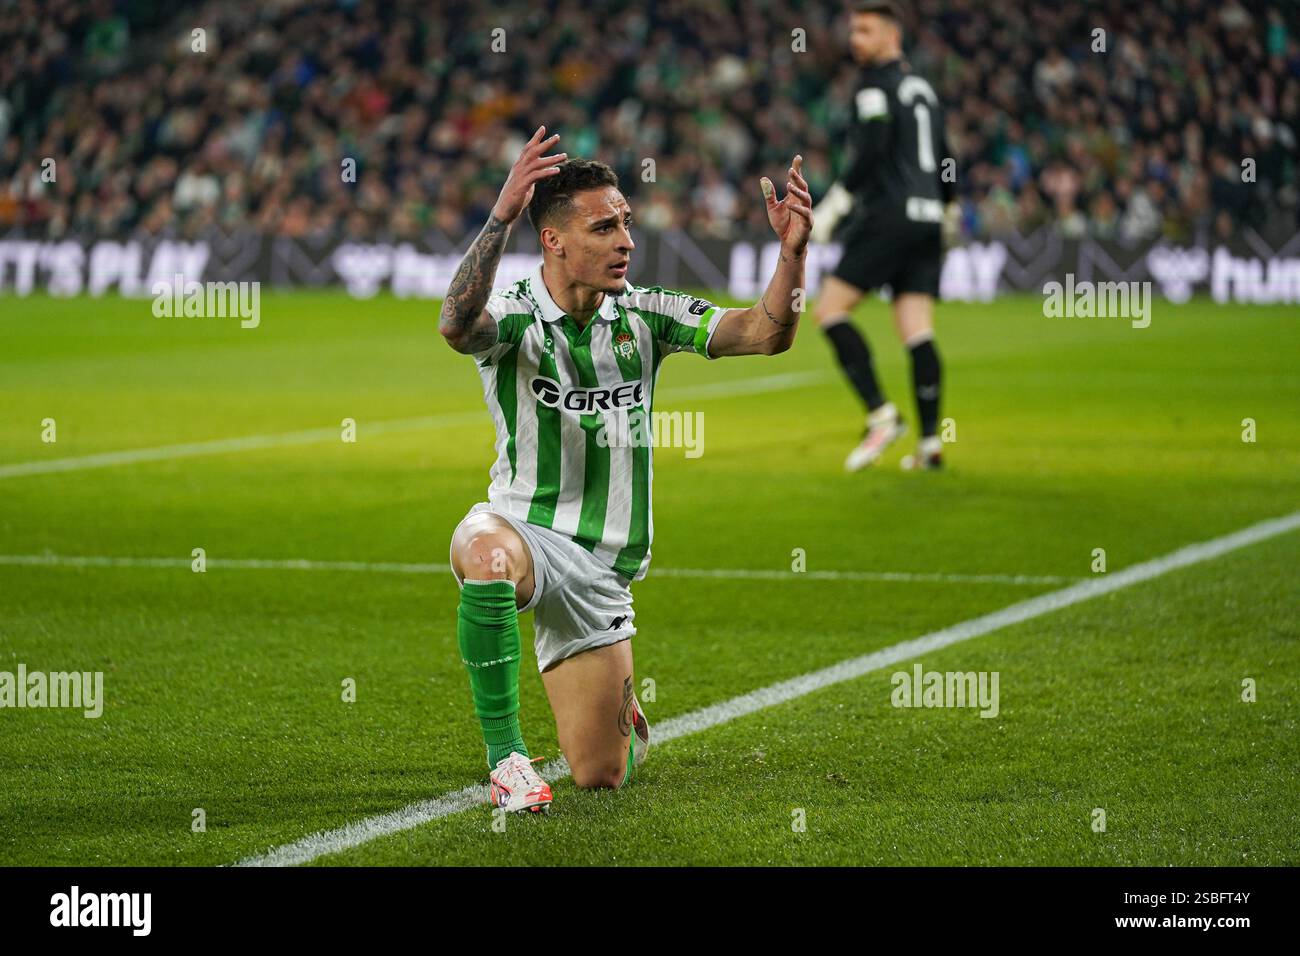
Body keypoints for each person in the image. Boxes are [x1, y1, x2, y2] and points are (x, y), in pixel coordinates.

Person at [438, 126, 813, 811]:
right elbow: (457, 326)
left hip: (604, 568)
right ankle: (507, 761)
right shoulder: (519, 315)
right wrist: (500, 217)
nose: (625, 242)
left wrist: (793, 256)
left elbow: (767, 333)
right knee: (485, 554)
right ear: (553, 239)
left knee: (600, 775)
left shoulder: (647, 314)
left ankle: (622, 720)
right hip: (522, 528)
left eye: (627, 224)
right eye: (604, 227)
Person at [812, 0, 956, 471]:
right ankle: (931, 443)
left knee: (830, 311)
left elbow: (872, 151)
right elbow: (945, 156)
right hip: (928, 217)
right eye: (853, 31)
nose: (856, 40)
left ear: (893, 36)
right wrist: (949, 207)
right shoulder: (925, 91)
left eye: (866, 31)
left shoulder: (873, 86)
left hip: (889, 217)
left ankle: (881, 414)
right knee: (917, 328)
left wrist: (837, 202)